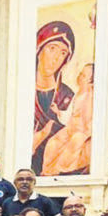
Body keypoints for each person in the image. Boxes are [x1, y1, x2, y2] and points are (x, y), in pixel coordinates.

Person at [33, 21, 76, 175]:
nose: (56, 57)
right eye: (52, 49)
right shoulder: (24, 92)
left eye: (63, 53)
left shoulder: (67, 96)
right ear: (39, 50)